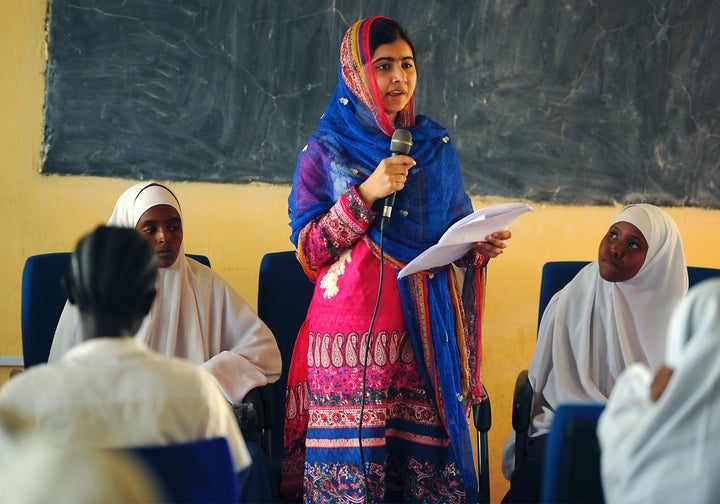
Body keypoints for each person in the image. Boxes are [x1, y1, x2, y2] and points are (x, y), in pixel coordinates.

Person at [283, 16, 511, 503]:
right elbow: (309, 251)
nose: (399, 79)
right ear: (356, 75)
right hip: (349, 343)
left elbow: (454, 228)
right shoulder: (326, 150)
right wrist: (366, 193)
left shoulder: (435, 146)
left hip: (423, 335)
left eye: (407, 65)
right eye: (383, 66)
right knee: (353, 477)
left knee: (423, 475)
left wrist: (477, 247)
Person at [0, 226, 250, 473]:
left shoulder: (20, 401)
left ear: (71, 293)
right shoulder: (197, 396)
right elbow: (235, 479)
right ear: (148, 301)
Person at [501, 203, 688, 503]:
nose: (615, 249)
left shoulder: (682, 324)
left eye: (633, 244)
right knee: (539, 479)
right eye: (613, 234)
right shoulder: (571, 298)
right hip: (567, 425)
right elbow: (539, 380)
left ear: (656, 261)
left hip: (644, 435)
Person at [49, 181, 281, 404]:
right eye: (150, 229)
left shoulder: (203, 283)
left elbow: (264, 352)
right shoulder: (98, 285)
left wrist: (204, 377)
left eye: (173, 227)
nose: (164, 237)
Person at [597, 277, 720, 503]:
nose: (615, 250)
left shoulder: (636, 448)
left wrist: (643, 381)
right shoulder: (576, 295)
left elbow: (623, 408)